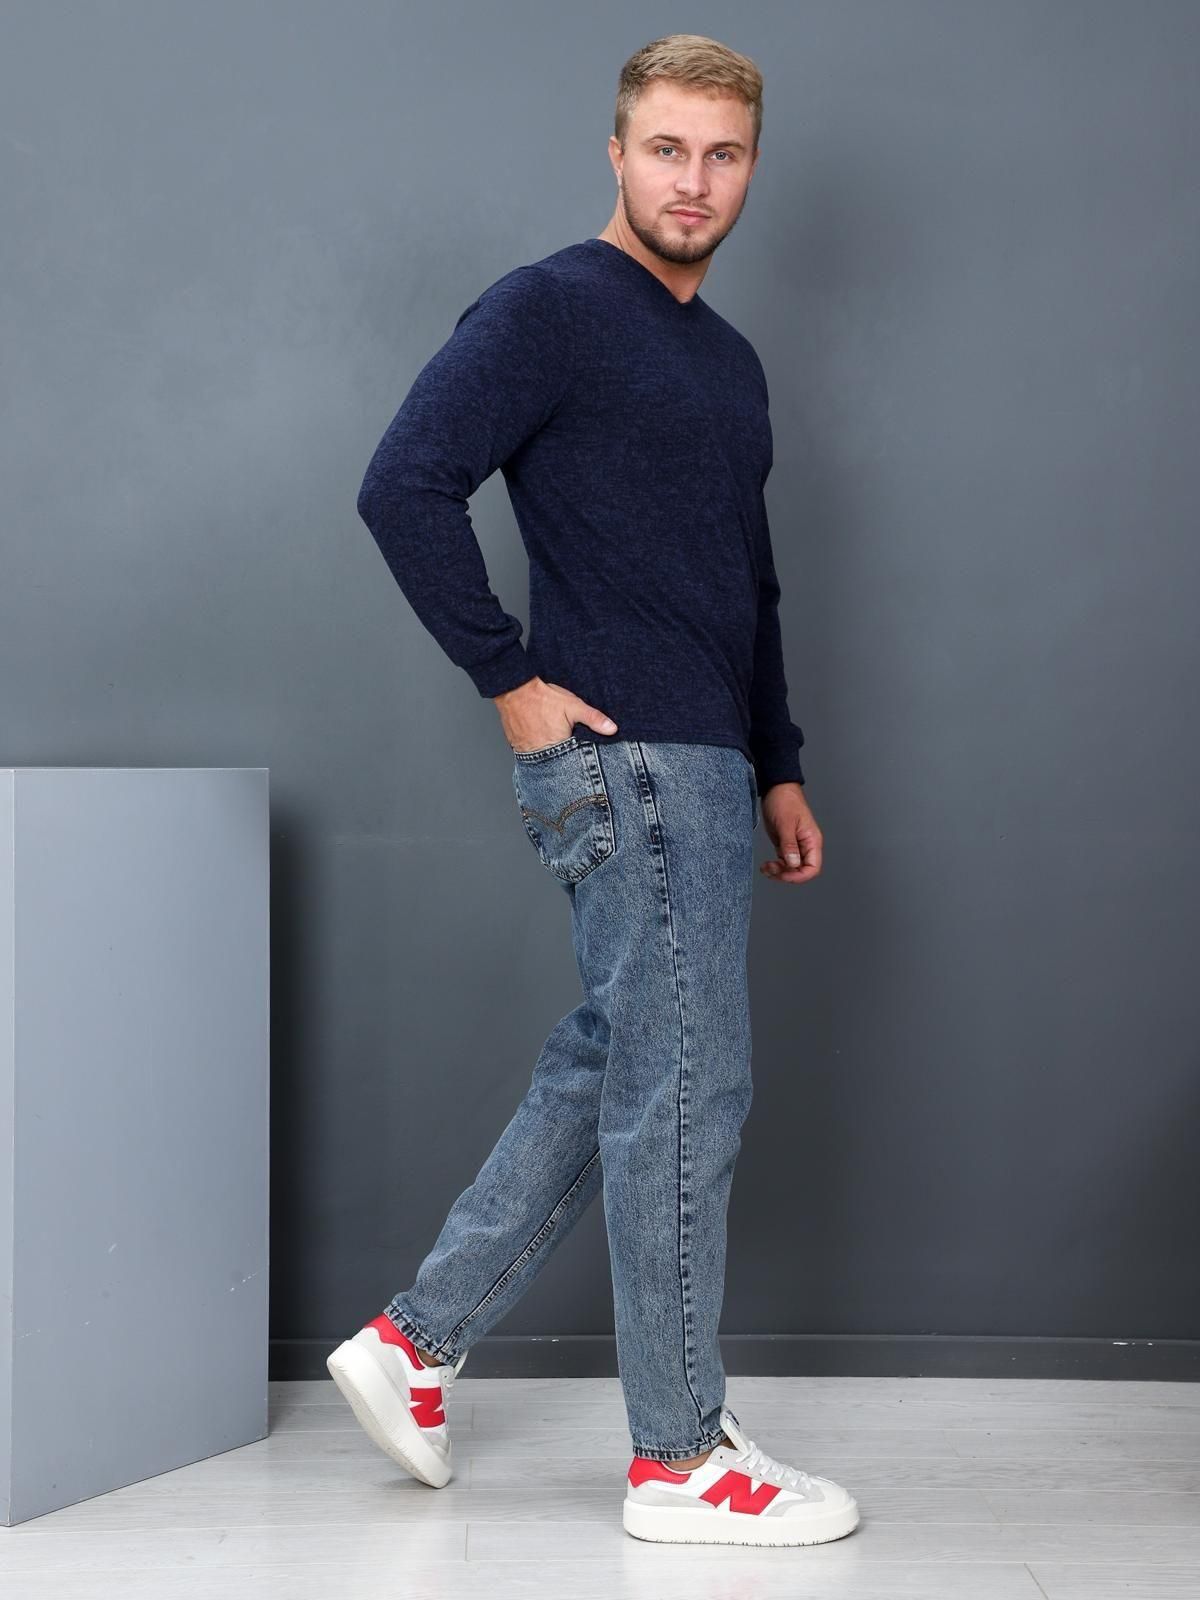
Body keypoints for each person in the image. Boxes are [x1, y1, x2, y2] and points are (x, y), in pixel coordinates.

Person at [327, 33, 859, 1548]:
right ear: (617, 153)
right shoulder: (551, 307)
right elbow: (402, 482)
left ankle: (416, 1343)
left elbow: (749, 585)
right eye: (667, 149)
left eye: (724, 155)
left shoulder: (730, 364)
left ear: (751, 168)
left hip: (708, 762)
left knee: (624, 1060)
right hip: (624, 758)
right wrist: (509, 680)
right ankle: (678, 1460)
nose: (695, 181)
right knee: (687, 1085)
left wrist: (778, 762)